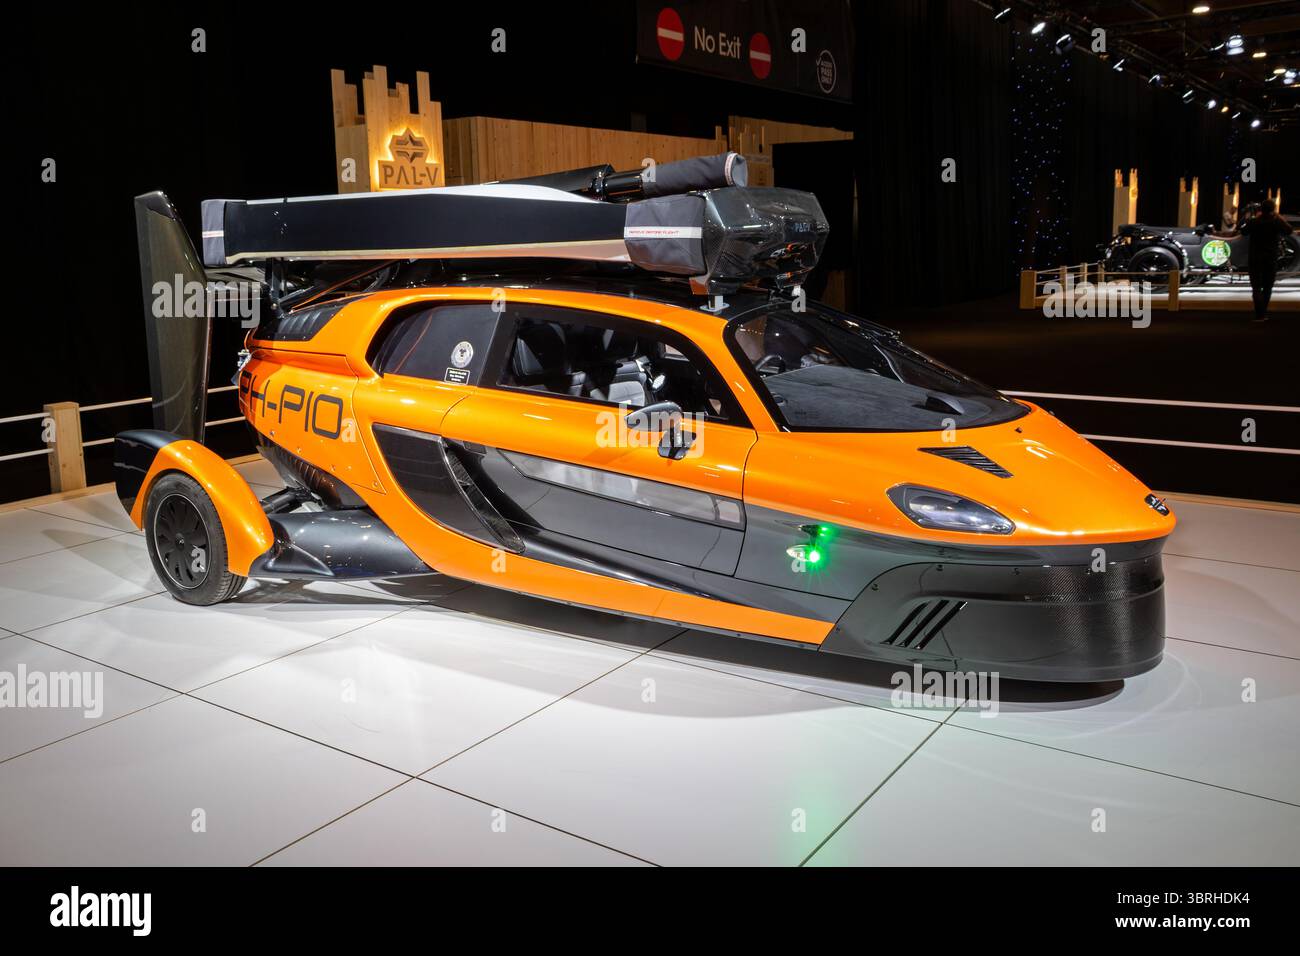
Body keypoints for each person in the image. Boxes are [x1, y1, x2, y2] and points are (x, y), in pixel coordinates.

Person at [1238, 199, 1294, 323]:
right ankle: (1263, 313)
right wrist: (1278, 216)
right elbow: (1289, 230)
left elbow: (1242, 230)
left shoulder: (1254, 221)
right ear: (1273, 210)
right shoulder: (1276, 221)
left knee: (1256, 287)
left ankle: (1259, 315)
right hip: (1270, 258)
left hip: (1255, 258)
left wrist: (1248, 218)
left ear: (1261, 210)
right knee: (1268, 287)